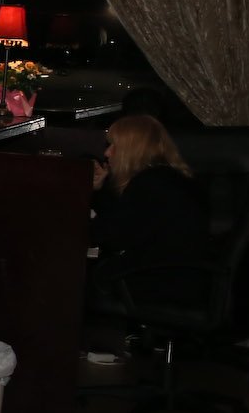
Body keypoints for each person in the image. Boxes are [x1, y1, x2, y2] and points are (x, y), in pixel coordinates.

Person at [89, 114, 211, 307]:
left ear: (131, 150)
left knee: (85, 277)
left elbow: (110, 236)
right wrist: (100, 190)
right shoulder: (169, 177)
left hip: (163, 283)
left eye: (114, 146)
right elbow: (121, 222)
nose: (107, 153)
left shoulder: (150, 184)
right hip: (186, 279)